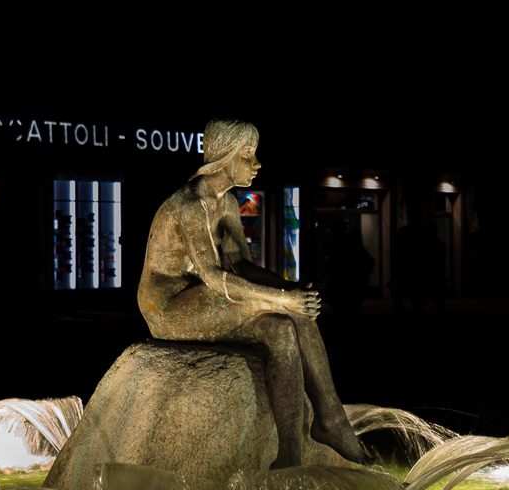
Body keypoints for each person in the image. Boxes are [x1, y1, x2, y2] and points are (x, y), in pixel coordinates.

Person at [136, 120, 371, 469]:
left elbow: (242, 266)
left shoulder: (228, 202)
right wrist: (282, 299)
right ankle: (332, 420)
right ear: (223, 158)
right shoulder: (190, 204)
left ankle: (292, 449)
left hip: (202, 295)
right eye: (247, 154)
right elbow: (215, 278)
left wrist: (286, 289)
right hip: (169, 306)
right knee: (288, 310)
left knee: (281, 329)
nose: (257, 163)